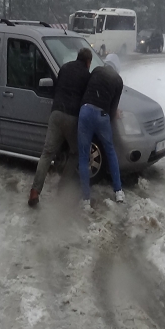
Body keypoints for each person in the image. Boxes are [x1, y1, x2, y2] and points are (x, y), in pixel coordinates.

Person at [28, 48, 93, 207]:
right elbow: (87, 99)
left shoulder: (64, 68)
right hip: (72, 117)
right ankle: (62, 187)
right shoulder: (87, 75)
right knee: (76, 152)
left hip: (56, 113)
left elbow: (57, 88)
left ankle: (35, 191)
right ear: (88, 62)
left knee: (47, 153)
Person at [77, 53, 125, 209]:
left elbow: (86, 88)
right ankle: (118, 192)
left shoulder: (97, 70)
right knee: (110, 152)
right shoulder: (118, 80)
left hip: (84, 112)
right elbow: (113, 109)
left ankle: (85, 199)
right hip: (102, 115)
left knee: (84, 156)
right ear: (116, 68)